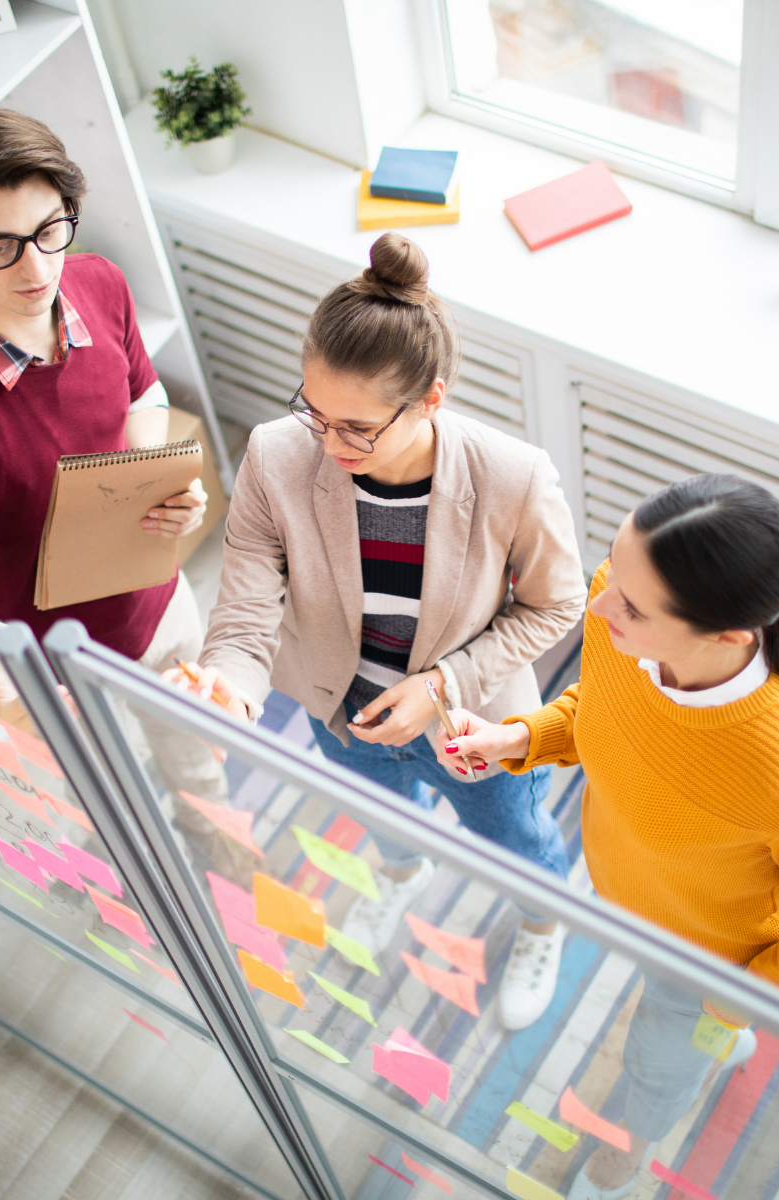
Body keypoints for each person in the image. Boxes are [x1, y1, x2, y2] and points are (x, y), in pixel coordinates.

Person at [174, 233, 588, 1030]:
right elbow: (252, 595)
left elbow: (555, 607)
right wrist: (227, 679)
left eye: (357, 429)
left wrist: (440, 688)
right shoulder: (275, 453)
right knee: (385, 818)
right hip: (343, 713)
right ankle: (403, 871)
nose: (329, 448)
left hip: (474, 730)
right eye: (315, 413)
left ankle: (542, 921)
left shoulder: (513, 476)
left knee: (519, 843)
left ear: (432, 398)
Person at [0, 108, 242, 877]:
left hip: (157, 603)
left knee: (202, 770)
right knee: (107, 808)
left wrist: (163, 487)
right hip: (55, 669)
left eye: (51, 229)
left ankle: (216, 848)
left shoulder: (99, 282)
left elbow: (141, 395)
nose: (37, 268)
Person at [436, 473, 779, 1198]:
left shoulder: (771, 757)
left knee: (659, 1061)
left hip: (711, 964)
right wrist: (518, 737)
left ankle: (631, 1150)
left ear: (727, 636)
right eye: (613, 571)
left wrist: (739, 1000)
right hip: (624, 891)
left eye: (629, 601)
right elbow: (604, 708)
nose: (598, 602)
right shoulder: (614, 608)